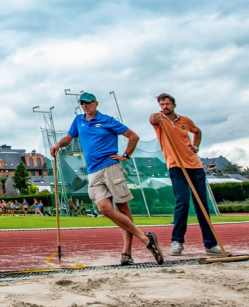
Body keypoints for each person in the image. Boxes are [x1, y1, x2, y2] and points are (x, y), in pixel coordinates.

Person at [51, 92, 164, 265]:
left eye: (88, 103)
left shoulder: (107, 120)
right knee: (103, 208)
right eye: (82, 103)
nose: (85, 106)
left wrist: (125, 155)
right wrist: (58, 145)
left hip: (111, 167)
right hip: (93, 171)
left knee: (123, 209)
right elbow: (68, 138)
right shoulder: (79, 120)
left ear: (96, 103)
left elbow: (133, 136)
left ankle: (127, 252)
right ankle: (146, 238)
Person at [149, 93, 220, 257]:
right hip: (176, 165)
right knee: (183, 201)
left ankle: (210, 244)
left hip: (195, 165)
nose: (165, 107)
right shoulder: (160, 120)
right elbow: (152, 119)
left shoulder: (185, 120)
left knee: (202, 204)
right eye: (162, 105)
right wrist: (155, 116)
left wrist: (196, 146)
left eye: (167, 104)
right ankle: (177, 241)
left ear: (174, 105)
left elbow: (197, 132)